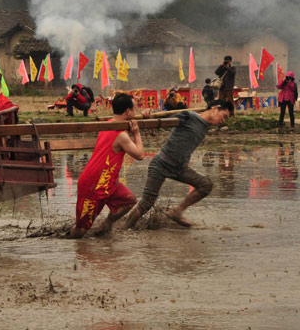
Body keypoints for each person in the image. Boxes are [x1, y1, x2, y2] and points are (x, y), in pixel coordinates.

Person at [125, 100, 233, 228]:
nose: (223, 121)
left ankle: (177, 212)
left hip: (180, 168)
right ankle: (124, 228)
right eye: (224, 116)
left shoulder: (205, 126)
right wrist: (150, 114)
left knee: (206, 185)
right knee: (146, 203)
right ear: (215, 108)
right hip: (161, 164)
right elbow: (163, 121)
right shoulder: (188, 116)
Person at [70, 93, 146, 238]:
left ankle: (106, 224)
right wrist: (136, 133)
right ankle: (70, 247)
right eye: (134, 110)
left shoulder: (107, 125)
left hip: (109, 183)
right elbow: (140, 155)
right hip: (93, 184)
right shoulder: (121, 135)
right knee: (80, 231)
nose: (135, 113)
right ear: (128, 112)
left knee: (128, 201)